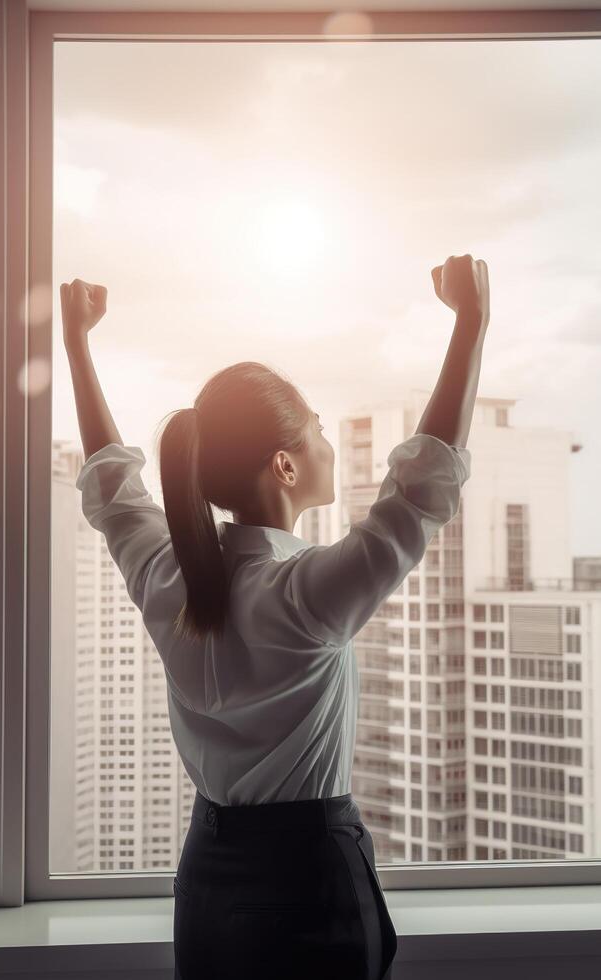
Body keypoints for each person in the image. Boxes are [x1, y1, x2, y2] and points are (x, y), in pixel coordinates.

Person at [61, 254, 490, 980]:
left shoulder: (171, 575)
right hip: (307, 877)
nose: (328, 443)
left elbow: (112, 486)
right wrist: (471, 324)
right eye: (317, 431)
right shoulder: (304, 593)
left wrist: (76, 345)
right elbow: (421, 488)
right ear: (285, 467)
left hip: (207, 868)